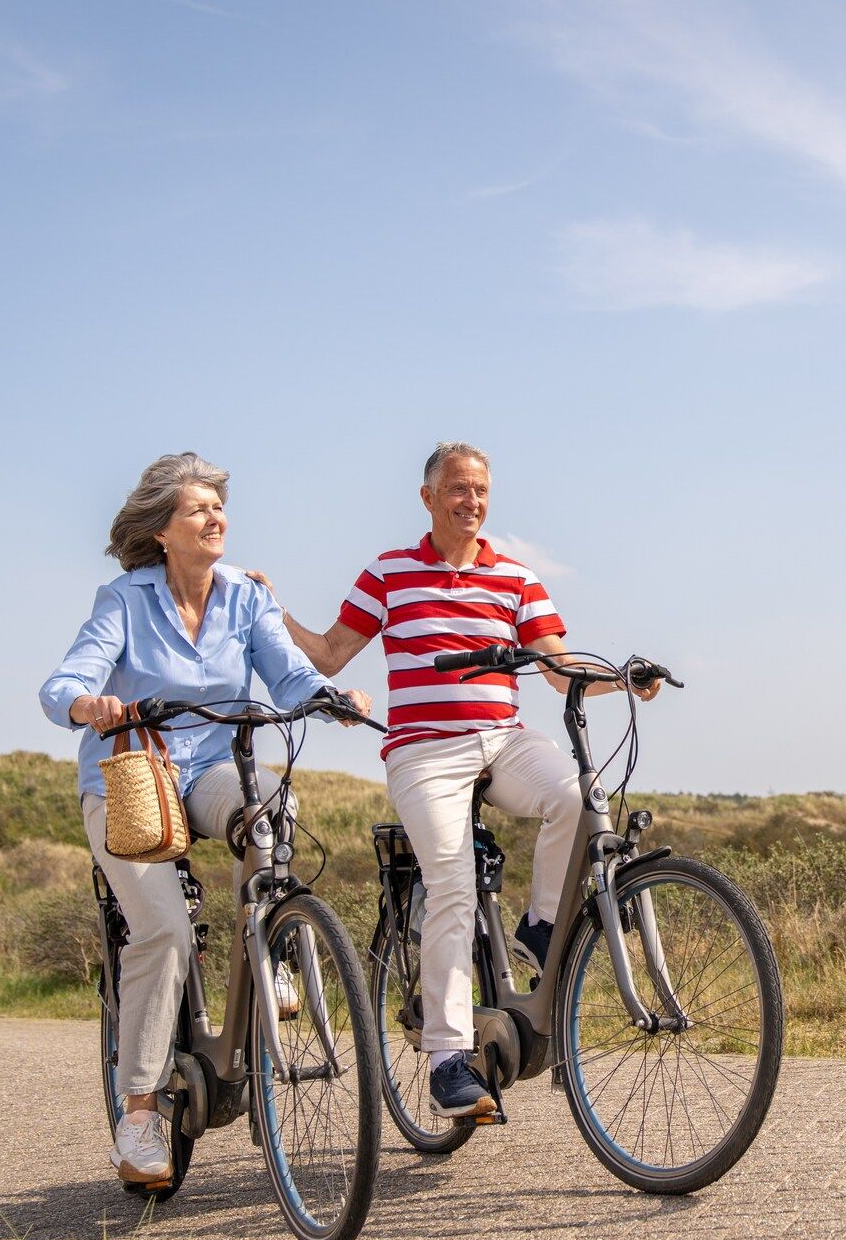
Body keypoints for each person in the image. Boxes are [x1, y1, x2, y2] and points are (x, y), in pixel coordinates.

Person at [265, 442, 656, 1122]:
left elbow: (558, 668)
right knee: (451, 879)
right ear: (427, 498)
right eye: (457, 488)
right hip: (423, 750)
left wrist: (621, 678)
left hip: (502, 740)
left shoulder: (516, 578)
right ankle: (449, 1058)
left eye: (480, 491)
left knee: (578, 795)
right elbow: (329, 653)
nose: (470, 501)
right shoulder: (389, 572)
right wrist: (275, 613)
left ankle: (540, 927)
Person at [40, 453, 371, 1186]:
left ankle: (273, 952)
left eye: (219, 506)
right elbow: (66, 679)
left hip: (214, 770)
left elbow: (289, 674)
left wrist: (329, 699)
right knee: (162, 929)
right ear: (162, 530)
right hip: (132, 777)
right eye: (197, 508)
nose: (215, 516)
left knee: (271, 809)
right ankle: (139, 1116)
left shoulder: (246, 597)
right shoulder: (124, 599)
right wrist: (87, 703)